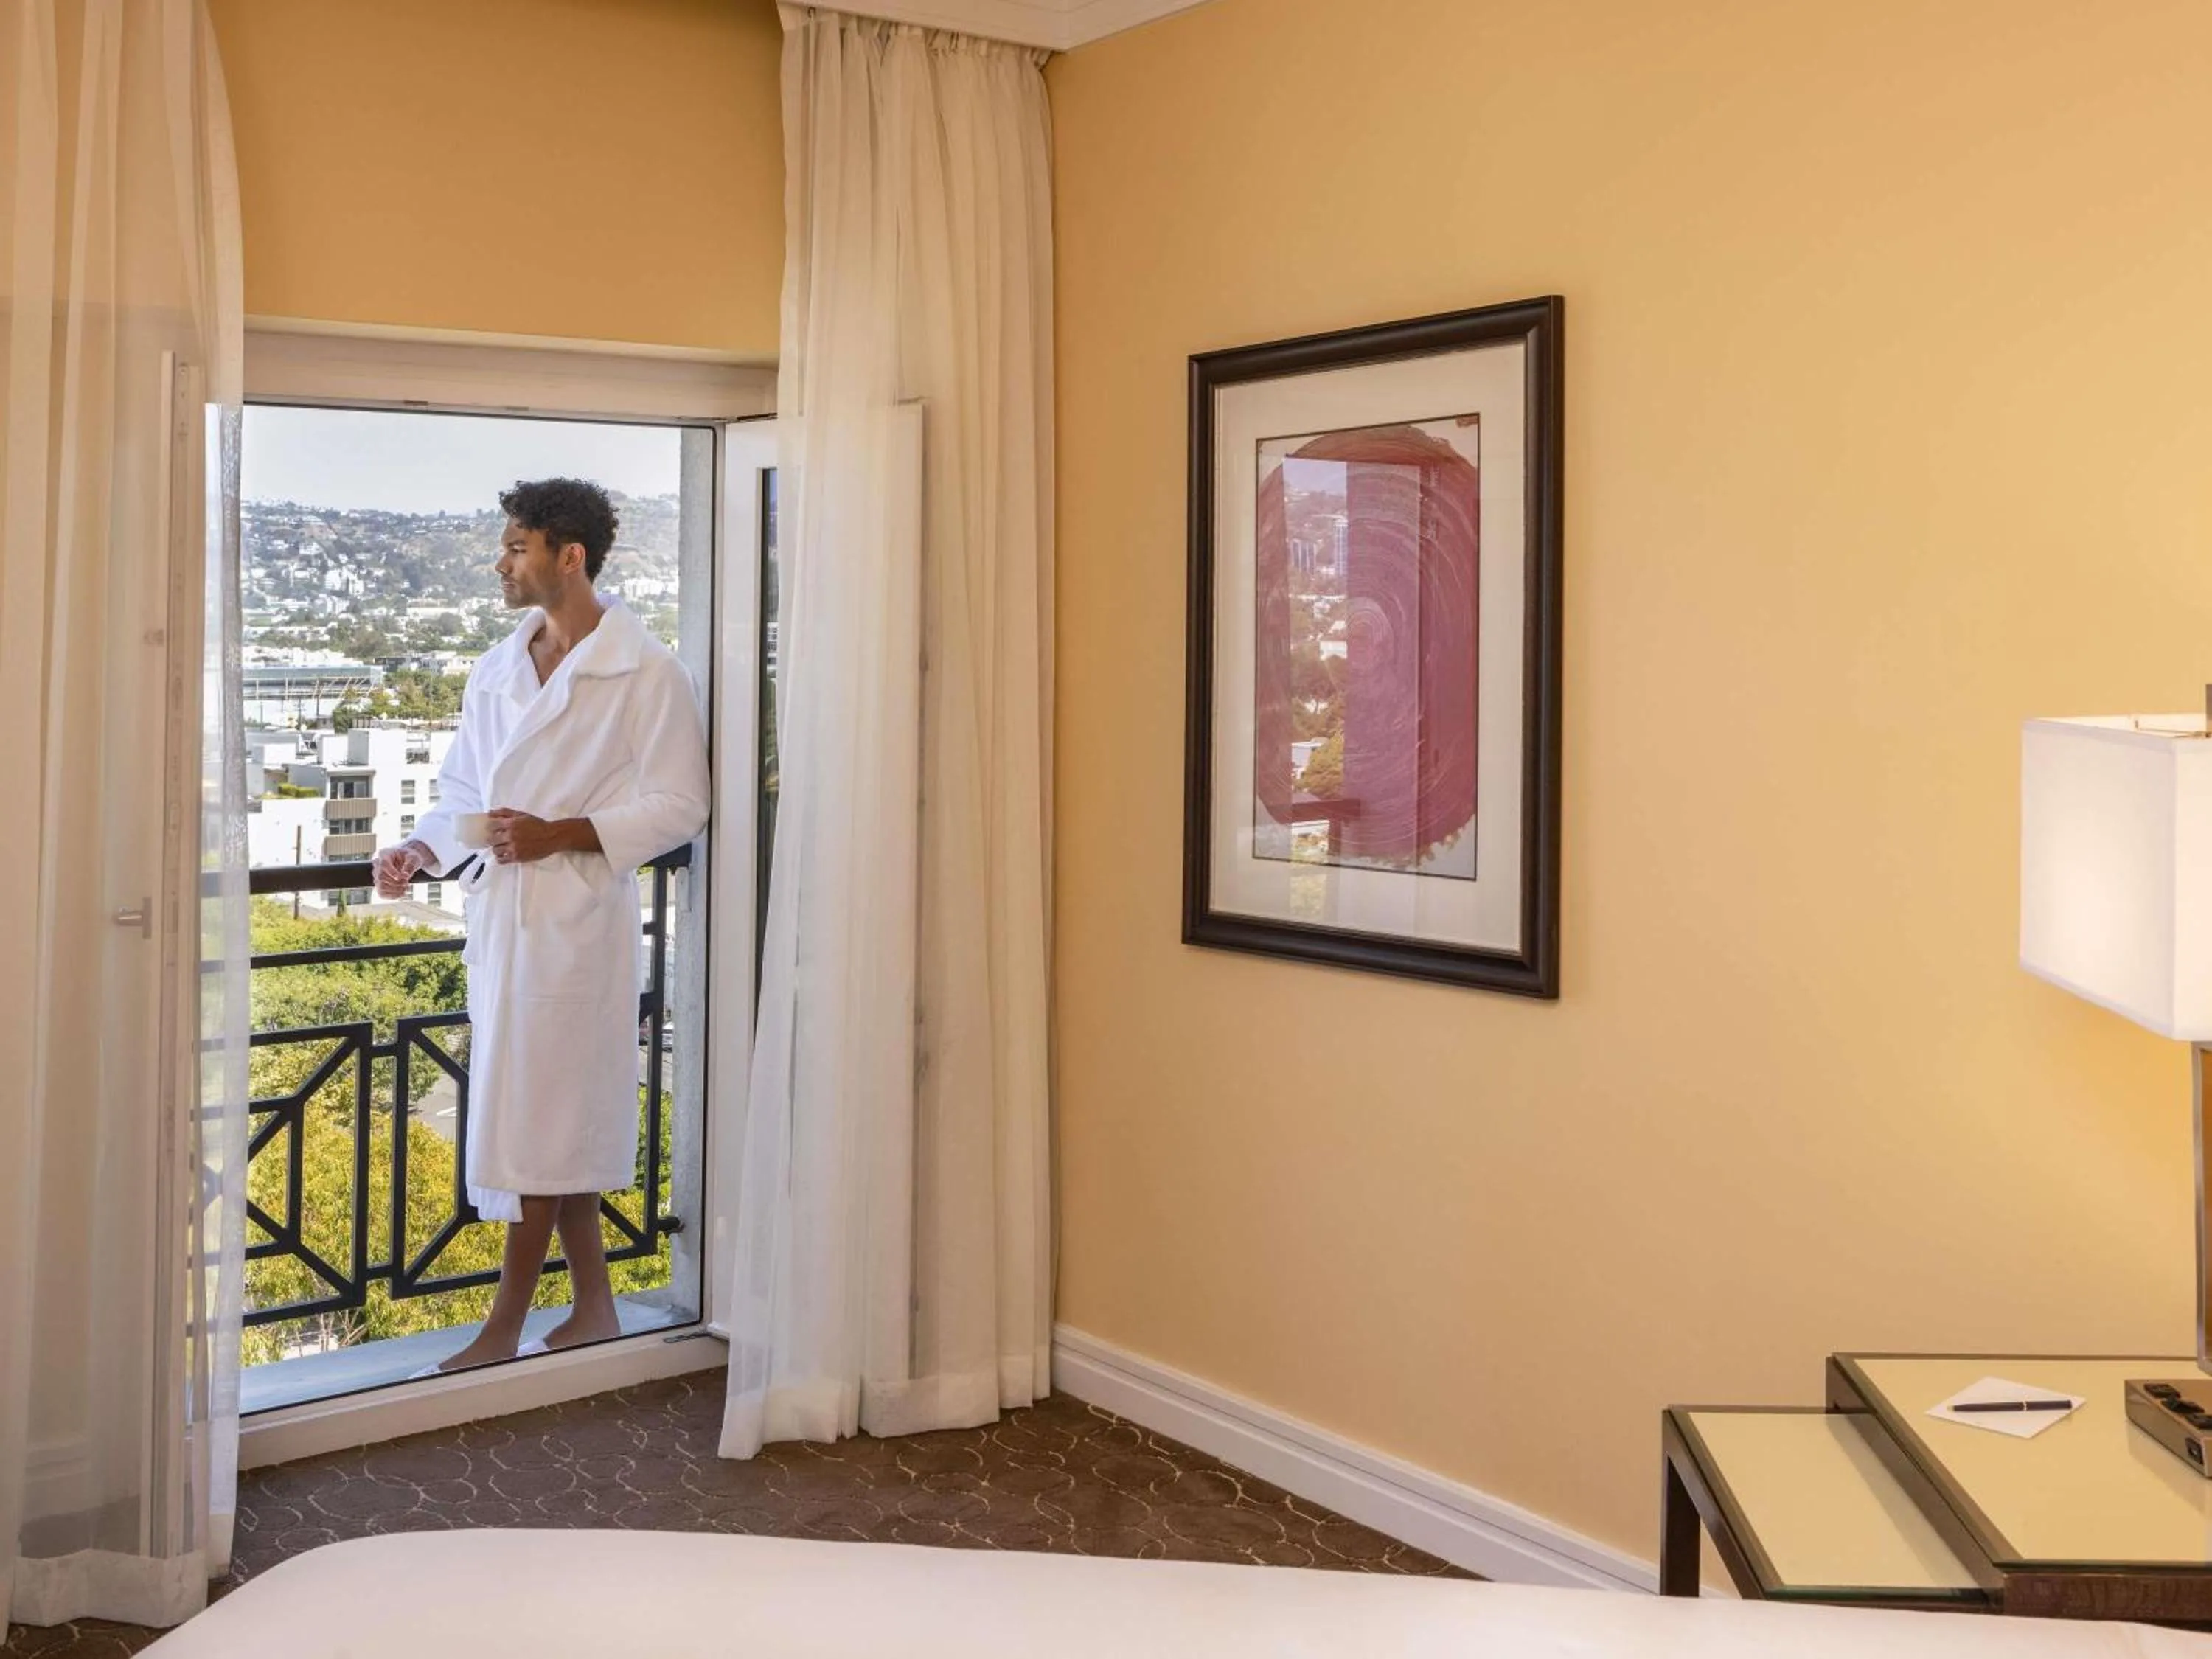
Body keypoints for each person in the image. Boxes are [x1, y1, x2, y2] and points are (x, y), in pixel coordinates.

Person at [372, 478, 709, 1373]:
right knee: (548, 1120)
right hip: (503, 921)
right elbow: (461, 795)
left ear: (571, 557)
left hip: (577, 926)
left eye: (517, 547)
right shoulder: (498, 665)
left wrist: (567, 832)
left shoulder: (647, 672)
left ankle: (503, 1323)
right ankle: (594, 1305)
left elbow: (683, 802)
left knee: (533, 1125)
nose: (501, 563)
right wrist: (418, 847)